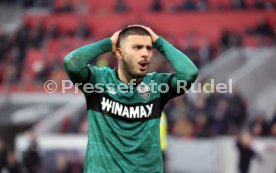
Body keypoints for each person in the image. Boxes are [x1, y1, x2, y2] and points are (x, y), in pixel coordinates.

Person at [64, 25, 198, 173]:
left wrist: (159, 42)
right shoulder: (99, 81)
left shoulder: (157, 86)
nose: (145, 53)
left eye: (148, 48)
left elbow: (189, 74)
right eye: (137, 47)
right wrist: (108, 44)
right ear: (119, 53)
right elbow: (71, 63)